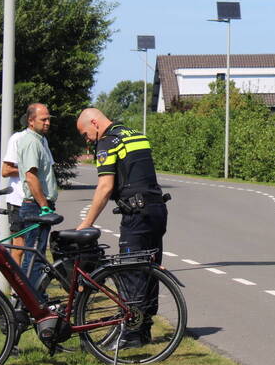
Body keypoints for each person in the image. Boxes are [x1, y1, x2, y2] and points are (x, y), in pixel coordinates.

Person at [76, 107, 167, 349]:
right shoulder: (136, 135)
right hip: (157, 211)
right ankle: (145, 328)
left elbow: (105, 187)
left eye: (86, 134)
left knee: (131, 272)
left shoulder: (108, 142)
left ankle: (131, 335)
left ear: (94, 122)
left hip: (136, 215)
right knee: (149, 269)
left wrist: (86, 224)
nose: (88, 140)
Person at [16, 103, 58, 289]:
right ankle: (32, 300)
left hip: (39, 204)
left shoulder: (39, 140)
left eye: (49, 118)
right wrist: (44, 206)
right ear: (31, 121)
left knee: (37, 253)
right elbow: (31, 178)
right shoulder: (31, 142)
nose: (48, 122)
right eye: (44, 119)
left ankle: (34, 297)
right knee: (34, 257)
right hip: (36, 206)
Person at [1, 116, 29, 266]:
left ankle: (30, 284)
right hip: (18, 200)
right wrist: (28, 170)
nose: (47, 123)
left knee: (33, 247)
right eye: (43, 119)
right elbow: (5, 170)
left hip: (36, 200)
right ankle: (15, 287)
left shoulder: (43, 141)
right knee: (19, 246)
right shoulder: (17, 139)